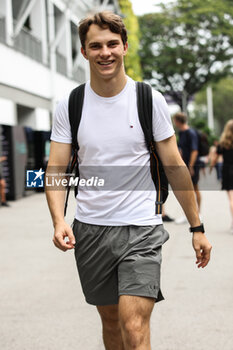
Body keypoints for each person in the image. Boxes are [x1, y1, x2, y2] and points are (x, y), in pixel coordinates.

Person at [46, 11, 212, 350]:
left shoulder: (148, 99)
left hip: (141, 228)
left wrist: (197, 227)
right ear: (84, 52)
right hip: (91, 229)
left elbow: (175, 166)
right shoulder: (71, 104)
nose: (104, 52)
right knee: (110, 322)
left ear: (124, 46)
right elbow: (56, 168)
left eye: (111, 44)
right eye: (95, 46)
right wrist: (59, 220)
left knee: (133, 325)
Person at [173, 113, 202, 224]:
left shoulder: (191, 133)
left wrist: (191, 166)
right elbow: (180, 149)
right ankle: (188, 214)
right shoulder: (181, 133)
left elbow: (195, 150)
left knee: (195, 188)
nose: (174, 122)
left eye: (175, 120)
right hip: (184, 165)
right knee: (185, 190)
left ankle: (198, 213)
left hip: (192, 165)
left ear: (179, 121)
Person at [210, 119, 233, 233]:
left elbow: (215, 158)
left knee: (231, 198)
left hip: (228, 171)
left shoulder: (223, 143)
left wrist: (211, 167)